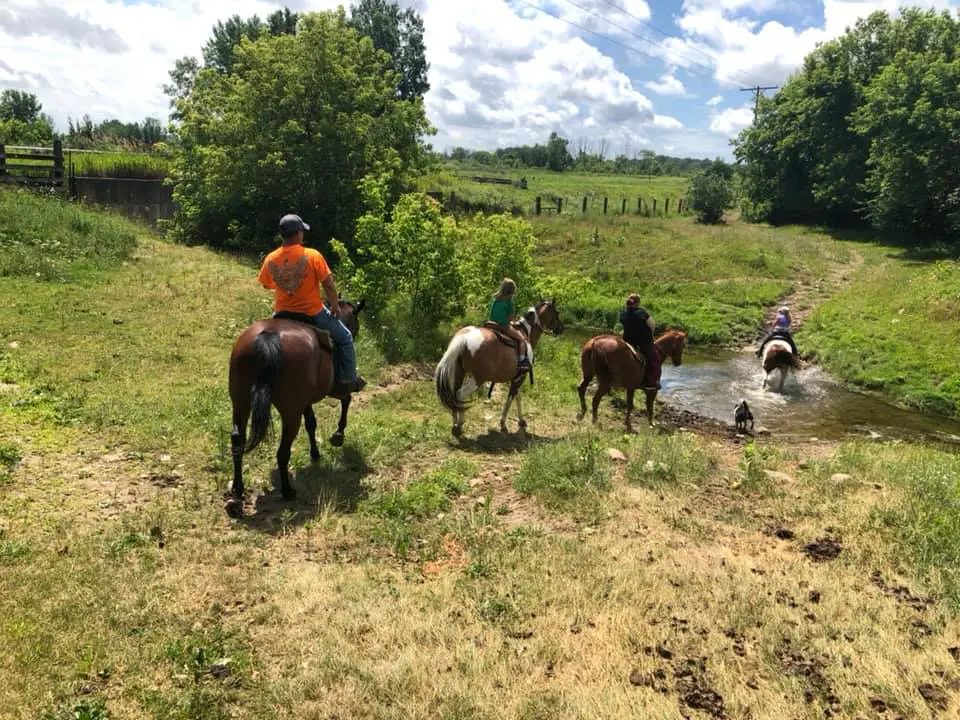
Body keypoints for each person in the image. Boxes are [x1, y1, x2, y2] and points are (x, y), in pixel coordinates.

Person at [258, 213, 366, 394]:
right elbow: (329, 286)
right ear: (299, 233)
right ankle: (348, 380)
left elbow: (266, 284)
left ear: (282, 235)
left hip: (282, 313)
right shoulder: (312, 255)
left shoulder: (270, 259)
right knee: (346, 338)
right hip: (312, 312)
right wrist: (335, 306)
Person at [488, 278, 531, 374]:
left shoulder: (495, 299)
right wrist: (511, 322)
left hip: (491, 324)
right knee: (522, 340)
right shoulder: (508, 302)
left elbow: (492, 313)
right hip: (503, 326)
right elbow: (510, 318)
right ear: (511, 290)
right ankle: (522, 361)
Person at [620, 293, 661, 390]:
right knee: (655, 359)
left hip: (628, 342)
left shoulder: (622, 314)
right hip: (643, 342)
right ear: (638, 303)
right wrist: (651, 335)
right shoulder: (642, 312)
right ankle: (652, 382)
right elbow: (652, 325)